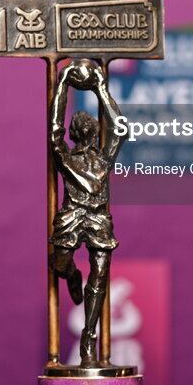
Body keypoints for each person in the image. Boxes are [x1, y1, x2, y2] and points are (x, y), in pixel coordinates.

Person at [48, 59, 125, 367]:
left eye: (89, 125)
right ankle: (70, 275)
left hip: (97, 218)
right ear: (76, 131)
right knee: (61, 263)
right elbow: (54, 128)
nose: (85, 128)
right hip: (70, 215)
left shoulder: (105, 156)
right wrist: (64, 81)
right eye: (80, 126)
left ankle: (89, 337)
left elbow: (119, 127)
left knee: (101, 276)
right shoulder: (64, 154)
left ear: (94, 129)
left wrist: (102, 89)